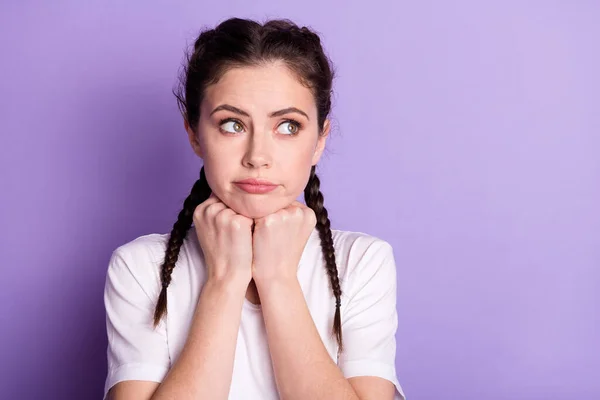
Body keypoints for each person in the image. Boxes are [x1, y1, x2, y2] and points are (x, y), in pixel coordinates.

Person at [103, 17, 406, 400]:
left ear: (319, 140)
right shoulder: (140, 267)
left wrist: (278, 278)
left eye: (288, 126)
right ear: (195, 135)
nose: (257, 156)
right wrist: (225, 279)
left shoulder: (361, 262)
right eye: (232, 125)